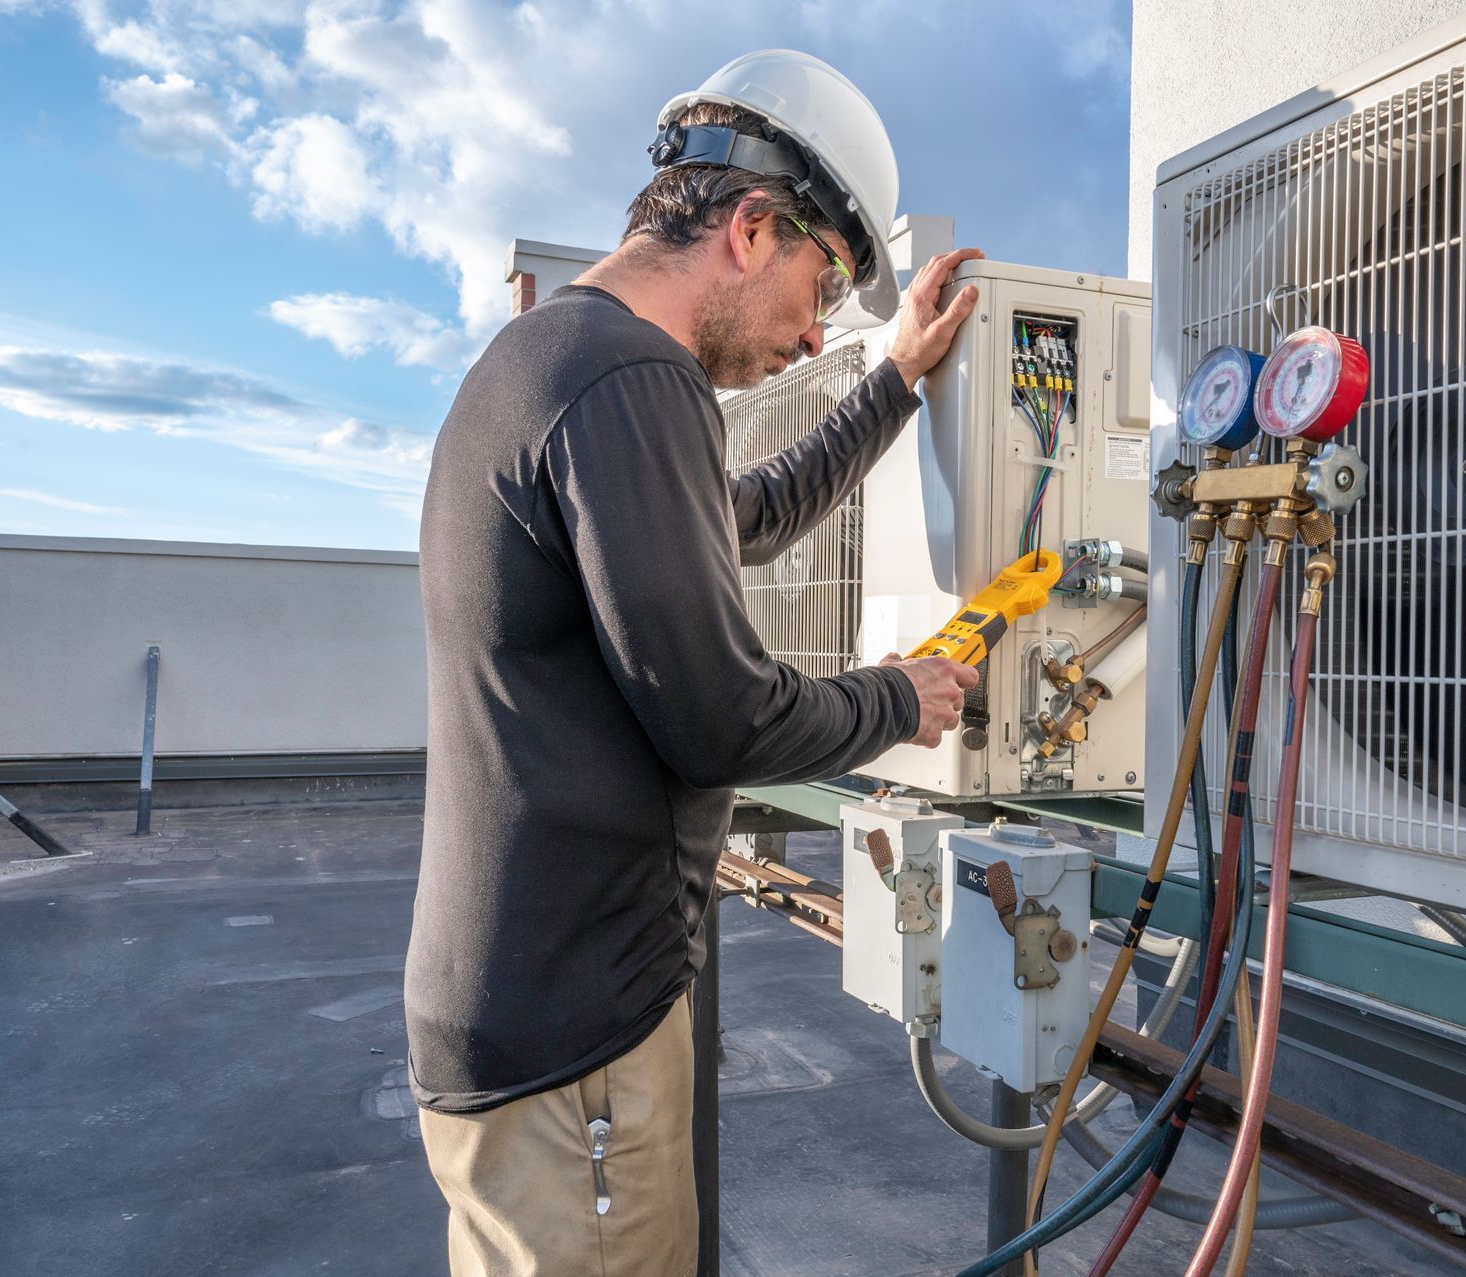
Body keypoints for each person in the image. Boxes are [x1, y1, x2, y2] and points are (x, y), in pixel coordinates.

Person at [405, 49, 984, 1276]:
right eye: (821, 280)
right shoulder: (628, 378)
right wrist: (903, 697)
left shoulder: (560, 362)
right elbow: (719, 718)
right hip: (578, 1050)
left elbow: (749, 509)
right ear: (752, 228)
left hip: (527, 1018)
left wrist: (894, 385)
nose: (816, 326)